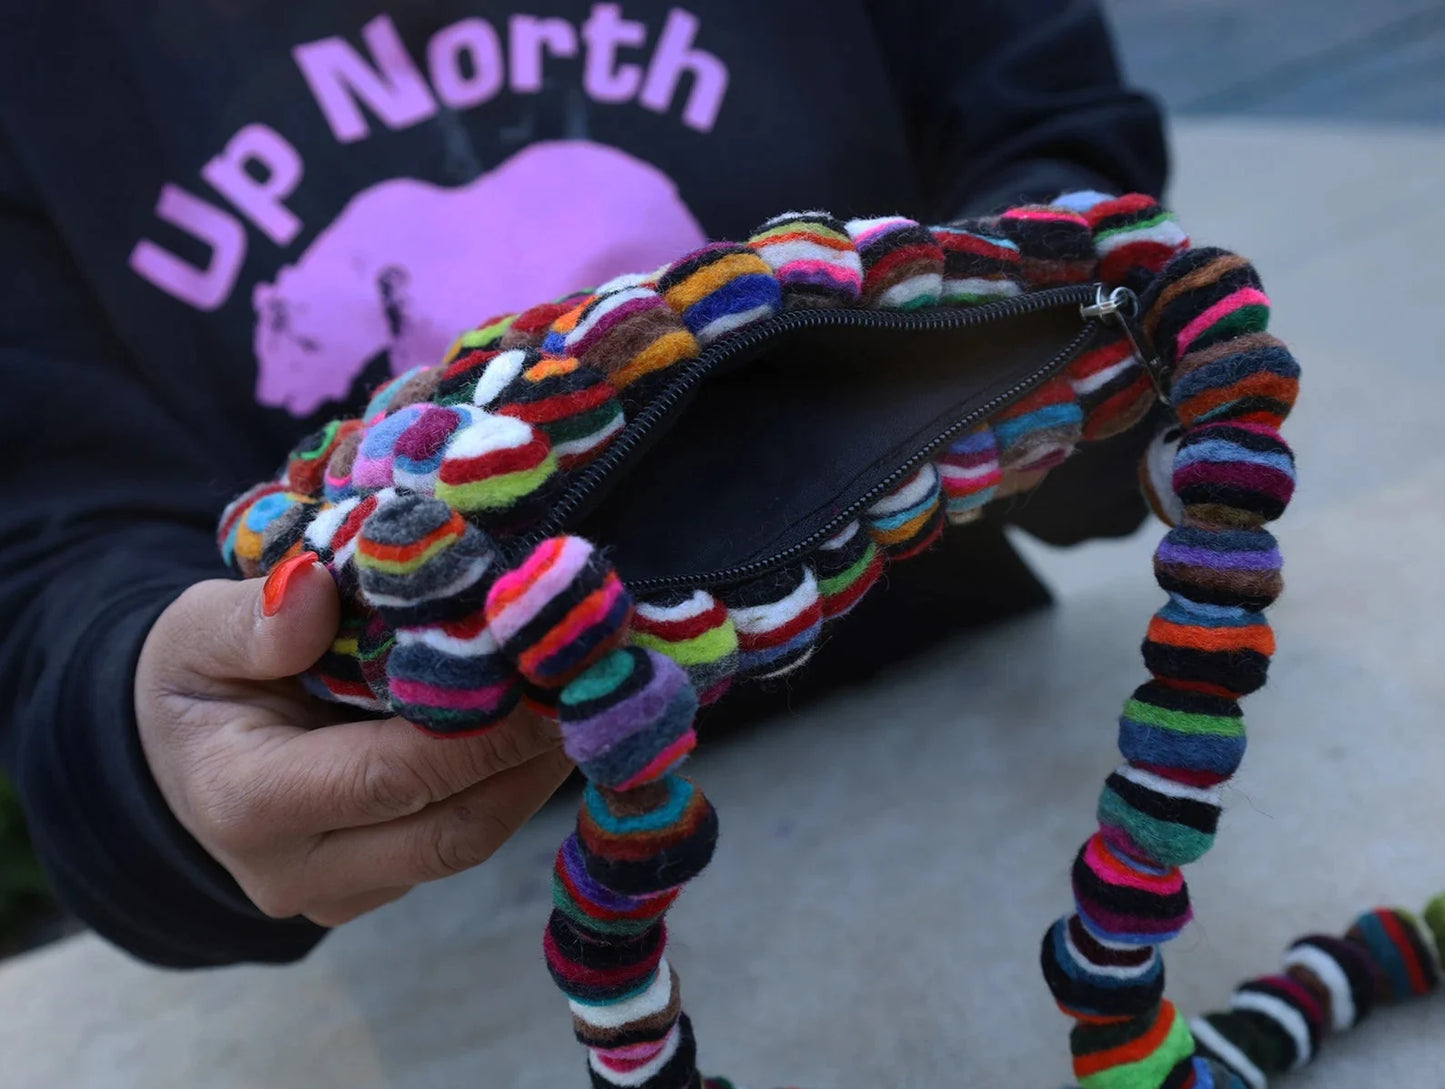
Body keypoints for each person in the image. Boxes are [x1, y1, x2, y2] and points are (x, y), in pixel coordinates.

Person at [0, 1, 1166, 968]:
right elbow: (56, 552)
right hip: (444, 904)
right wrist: (148, 751)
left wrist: (1052, 368)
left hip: (961, 733)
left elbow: (1053, 157)